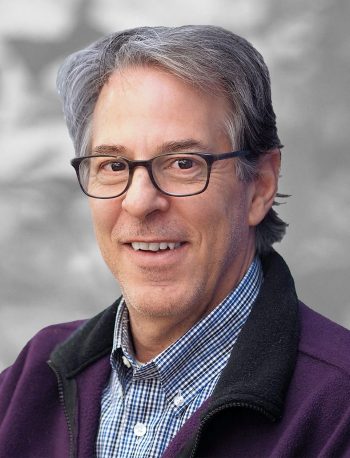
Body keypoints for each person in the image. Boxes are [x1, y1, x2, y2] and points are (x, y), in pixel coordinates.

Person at [1, 25, 349, 458]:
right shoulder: (28, 382)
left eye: (183, 163)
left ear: (259, 186)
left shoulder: (338, 408)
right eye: (112, 165)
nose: (140, 201)